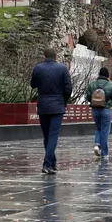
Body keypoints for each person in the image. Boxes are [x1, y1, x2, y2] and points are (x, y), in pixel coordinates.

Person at [30, 46, 72, 175]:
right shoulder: (63, 69)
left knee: (47, 136)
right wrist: (63, 100)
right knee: (53, 135)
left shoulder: (38, 68)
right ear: (55, 57)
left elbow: (33, 84)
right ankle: (47, 164)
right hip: (57, 106)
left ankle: (52, 163)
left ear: (44, 56)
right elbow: (68, 88)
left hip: (43, 105)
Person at [85, 67, 112, 158]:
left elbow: (88, 97)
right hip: (106, 110)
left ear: (99, 74)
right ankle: (104, 153)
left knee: (98, 128)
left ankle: (97, 144)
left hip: (95, 110)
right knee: (105, 131)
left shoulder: (92, 84)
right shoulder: (111, 85)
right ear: (107, 75)